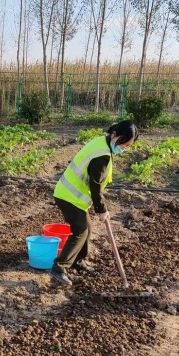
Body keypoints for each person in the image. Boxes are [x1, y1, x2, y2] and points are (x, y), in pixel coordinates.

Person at [50, 120, 139, 286]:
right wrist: (101, 209)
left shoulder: (102, 142)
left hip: (73, 196)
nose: (124, 148)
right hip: (69, 196)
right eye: (124, 144)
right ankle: (59, 267)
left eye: (128, 146)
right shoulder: (102, 156)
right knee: (80, 231)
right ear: (115, 135)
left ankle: (77, 261)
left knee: (87, 228)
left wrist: (100, 208)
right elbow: (95, 185)